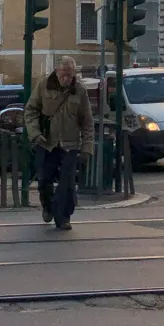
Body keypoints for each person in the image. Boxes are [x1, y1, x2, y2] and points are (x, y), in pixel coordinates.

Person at [24, 55, 94, 232]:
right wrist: (35, 134)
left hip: (70, 144)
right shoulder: (43, 86)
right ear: (56, 71)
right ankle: (48, 206)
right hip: (47, 142)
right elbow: (30, 110)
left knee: (67, 183)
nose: (67, 78)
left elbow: (87, 121)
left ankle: (63, 218)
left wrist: (87, 147)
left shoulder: (80, 90)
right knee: (44, 180)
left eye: (70, 74)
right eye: (64, 74)